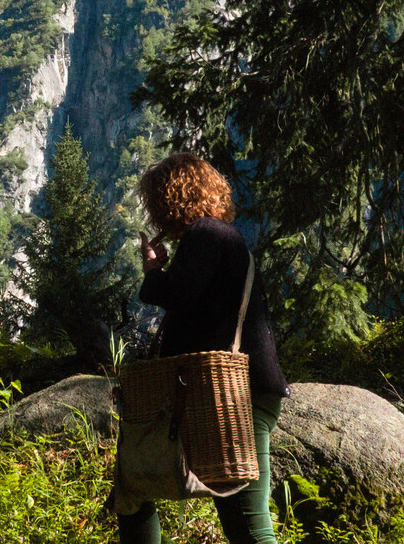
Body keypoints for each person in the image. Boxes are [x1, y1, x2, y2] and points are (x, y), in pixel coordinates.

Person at [119, 152, 291, 544]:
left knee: (245, 524)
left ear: (169, 199)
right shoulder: (217, 238)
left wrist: (153, 273)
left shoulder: (207, 234)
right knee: (240, 519)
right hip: (233, 393)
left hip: (233, 397)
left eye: (155, 203)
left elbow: (180, 295)